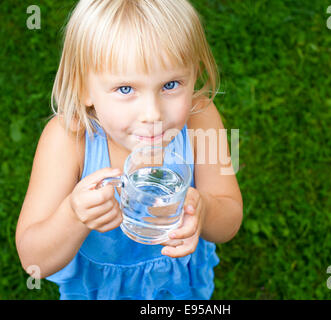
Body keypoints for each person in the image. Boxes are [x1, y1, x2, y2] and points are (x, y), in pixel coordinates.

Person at [15, 0, 243, 300]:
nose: (152, 113)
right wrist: (73, 215)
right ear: (84, 87)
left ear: (195, 73)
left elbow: (229, 220)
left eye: (171, 84)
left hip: (175, 283)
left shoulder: (202, 120)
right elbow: (34, 260)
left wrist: (205, 209)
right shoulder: (69, 139)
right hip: (99, 288)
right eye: (125, 89)